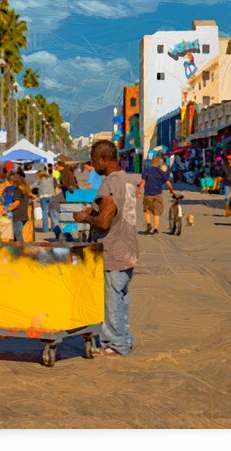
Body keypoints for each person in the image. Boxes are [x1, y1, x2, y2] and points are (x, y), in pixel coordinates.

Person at [73, 140, 140, 357]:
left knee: (112, 301)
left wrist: (85, 217)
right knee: (121, 298)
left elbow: (104, 222)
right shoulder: (128, 180)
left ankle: (114, 344)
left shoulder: (110, 184)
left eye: (94, 161)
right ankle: (123, 339)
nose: (93, 166)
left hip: (113, 250)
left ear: (103, 160)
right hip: (128, 247)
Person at [138, 156, 176, 234]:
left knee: (146, 210)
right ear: (159, 163)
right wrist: (171, 190)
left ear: (152, 162)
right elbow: (168, 182)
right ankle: (155, 228)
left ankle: (149, 224)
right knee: (156, 212)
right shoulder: (161, 172)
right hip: (158, 195)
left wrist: (139, 191)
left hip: (148, 195)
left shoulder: (147, 170)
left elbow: (143, 182)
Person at [6, 174, 31, 243]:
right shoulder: (25, 189)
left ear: (15, 182)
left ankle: (23, 251)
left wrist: (6, 210)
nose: (10, 184)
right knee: (16, 237)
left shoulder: (18, 190)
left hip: (18, 215)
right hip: (23, 214)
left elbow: (16, 203)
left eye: (11, 182)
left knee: (18, 237)